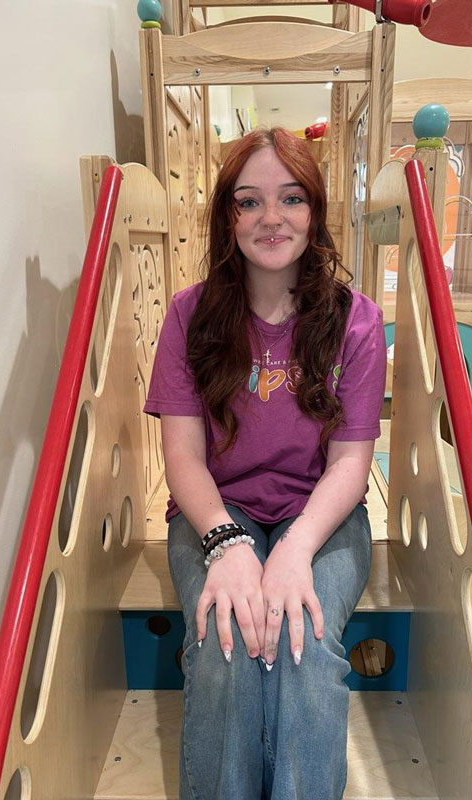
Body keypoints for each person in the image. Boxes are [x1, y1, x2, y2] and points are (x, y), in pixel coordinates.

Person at [144, 126, 387, 800]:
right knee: (227, 643)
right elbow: (183, 457)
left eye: (290, 199)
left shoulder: (356, 322)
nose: (271, 219)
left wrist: (295, 550)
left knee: (304, 643)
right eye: (249, 202)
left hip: (323, 514)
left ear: (315, 211)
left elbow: (350, 463)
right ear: (228, 217)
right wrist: (227, 543)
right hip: (219, 511)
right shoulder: (190, 317)